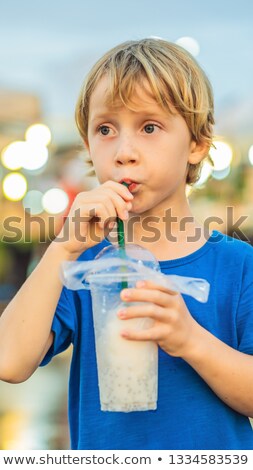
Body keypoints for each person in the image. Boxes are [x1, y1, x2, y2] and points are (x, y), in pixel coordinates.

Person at [0, 38, 253, 450]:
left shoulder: (239, 265)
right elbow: (9, 361)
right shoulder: (82, 264)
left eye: (149, 127)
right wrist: (62, 249)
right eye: (105, 130)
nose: (124, 152)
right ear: (88, 146)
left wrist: (190, 339)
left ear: (197, 145)